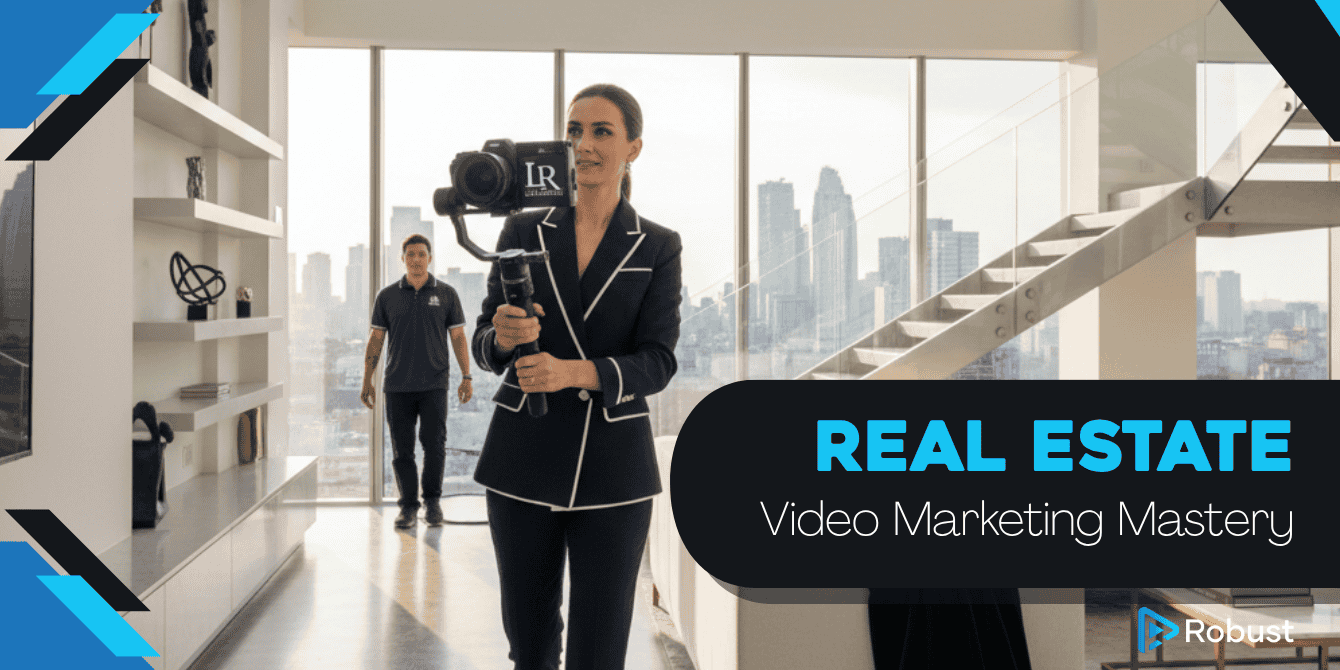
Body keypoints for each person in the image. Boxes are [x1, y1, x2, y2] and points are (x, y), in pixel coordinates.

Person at [471, 83, 682, 670]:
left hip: (614, 469)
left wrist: (573, 373)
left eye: (601, 132)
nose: (583, 144)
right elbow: (487, 342)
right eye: (573, 131)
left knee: (600, 650)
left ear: (632, 149)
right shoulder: (522, 230)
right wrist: (503, 337)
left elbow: (658, 361)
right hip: (522, 458)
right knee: (531, 646)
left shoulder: (658, 246)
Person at [362, 233, 474, 529]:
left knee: (434, 445)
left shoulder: (447, 294)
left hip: (435, 384)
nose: (415, 259)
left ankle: (433, 504)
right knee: (402, 449)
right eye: (410, 254)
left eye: (421, 254)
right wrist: (366, 380)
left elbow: (459, 337)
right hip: (397, 384)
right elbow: (375, 340)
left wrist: (467, 376)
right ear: (402, 259)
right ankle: (408, 507)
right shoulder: (387, 296)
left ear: (430, 257)